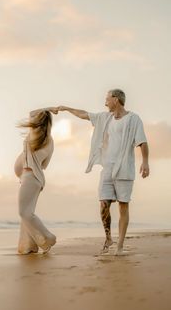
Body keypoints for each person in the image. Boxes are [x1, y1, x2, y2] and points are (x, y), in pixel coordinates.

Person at [58, 89, 149, 255]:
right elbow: (84, 114)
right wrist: (66, 108)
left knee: (123, 205)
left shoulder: (133, 119)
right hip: (107, 168)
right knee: (103, 204)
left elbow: (142, 141)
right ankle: (108, 237)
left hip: (124, 168)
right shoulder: (105, 118)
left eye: (107, 99)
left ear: (116, 99)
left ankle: (120, 246)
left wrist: (145, 162)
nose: (105, 103)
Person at [14, 107, 58, 255]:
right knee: (28, 213)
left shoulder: (33, 133)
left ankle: (48, 237)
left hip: (30, 177)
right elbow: (44, 165)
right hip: (37, 179)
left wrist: (49, 109)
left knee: (24, 213)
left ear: (38, 120)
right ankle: (29, 246)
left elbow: (31, 112)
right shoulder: (50, 141)